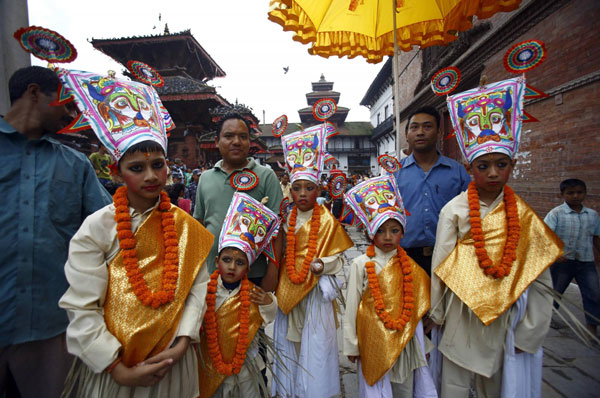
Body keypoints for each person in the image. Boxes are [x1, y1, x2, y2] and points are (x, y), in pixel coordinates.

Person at [57, 69, 213, 397]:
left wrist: (183, 342)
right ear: (116, 171)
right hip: (115, 368)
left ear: (168, 165)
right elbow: (82, 307)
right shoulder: (97, 228)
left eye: (158, 164)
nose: (151, 176)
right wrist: (117, 368)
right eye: (137, 168)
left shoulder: (185, 226)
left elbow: (198, 289)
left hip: (173, 361)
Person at [430, 77, 563, 397]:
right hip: (462, 314)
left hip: (506, 318)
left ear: (512, 166)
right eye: (483, 165)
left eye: (500, 165)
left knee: (499, 386)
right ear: (469, 167)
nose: (492, 173)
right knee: (454, 385)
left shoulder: (523, 215)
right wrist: (435, 314)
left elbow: (540, 279)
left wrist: (530, 332)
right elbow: (441, 265)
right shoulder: (454, 210)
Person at [0, 66, 112, 397]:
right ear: (35, 92)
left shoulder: (76, 165)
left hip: (51, 326)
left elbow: (109, 229)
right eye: (65, 103)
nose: (71, 113)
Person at [271, 125, 354, 398]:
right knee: (290, 339)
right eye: (297, 188)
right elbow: (282, 252)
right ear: (290, 191)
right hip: (289, 284)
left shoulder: (327, 219)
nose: (303, 193)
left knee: (316, 343)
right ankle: (292, 388)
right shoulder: (286, 219)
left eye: (309, 187)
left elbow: (337, 259)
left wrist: (321, 265)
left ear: (318, 188)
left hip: (315, 289)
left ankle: (316, 390)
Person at [343, 175, 436, 398]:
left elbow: (421, 299)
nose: (387, 237)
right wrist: (352, 344)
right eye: (381, 231)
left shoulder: (410, 266)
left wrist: (428, 320)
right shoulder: (360, 264)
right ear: (369, 232)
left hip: (404, 337)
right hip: (372, 338)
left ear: (403, 233)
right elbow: (352, 306)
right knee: (376, 385)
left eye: (394, 230)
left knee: (404, 385)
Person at [196, 192, 279, 398]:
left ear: (248, 269)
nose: (232, 267)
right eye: (226, 260)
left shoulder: (252, 293)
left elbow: (268, 315)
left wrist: (268, 301)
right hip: (211, 362)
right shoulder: (205, 289)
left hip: (246, 364)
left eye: (240, 262)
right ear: (216, 262)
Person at [194, 112, 283, 292]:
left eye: (243, 137)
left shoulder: (265, 176)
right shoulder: (205, 178)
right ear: (216, 140)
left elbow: (278, 229)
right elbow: (199, 224)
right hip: (212, 273)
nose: (236, 142)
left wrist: (272, 274)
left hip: (253, 275)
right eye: (229, 136)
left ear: (250, 142)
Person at [394, 106, 471, 276]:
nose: (420, 132)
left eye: (427, 127)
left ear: (439, 132)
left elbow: (470, 211)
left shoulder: (457, 172)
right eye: (414, 127)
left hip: (450, 255)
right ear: (407, 135)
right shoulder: (395, 174)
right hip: (406, 257)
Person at [544, 178, 600, 336]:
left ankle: (592, 328)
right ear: (562, 194)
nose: (575, 196)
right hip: (563, 262)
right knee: (555, 292)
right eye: (571, 193)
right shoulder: (556, 214)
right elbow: (545, 235)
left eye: (579, 192)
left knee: (594, 294)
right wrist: (556, 253)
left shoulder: (592, 215)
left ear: (585, 194)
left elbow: (596, 237)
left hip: (586, 261)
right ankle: (544, 320)